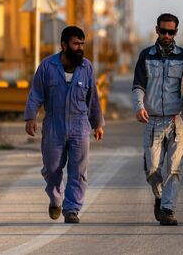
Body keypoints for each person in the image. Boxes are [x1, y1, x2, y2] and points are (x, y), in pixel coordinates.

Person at [24, 26, 105, 224]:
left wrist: (98, 123)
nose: (80, 48)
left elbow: (92, 97)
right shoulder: (47, 67)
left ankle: (72, 209)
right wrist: (31, 117)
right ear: (64, 45)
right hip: (54, 124)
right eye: (76, 44)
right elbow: (35, 94)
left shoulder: (86, 67)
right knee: (52, 168)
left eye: (82, 44)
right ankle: (56, 198)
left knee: (78, 171)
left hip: (80, 124)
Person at [132, 13, 183, 226]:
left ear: (176, 33)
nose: (167, 35)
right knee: (152, 168)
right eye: (163, 31)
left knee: (174, 167)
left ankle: (168, 209)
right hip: (152, 121)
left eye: (171, 32)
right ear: (157, 30)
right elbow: (138, 86)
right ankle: (159, 197)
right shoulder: (146, 56)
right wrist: (139, 107)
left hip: (176, 120)